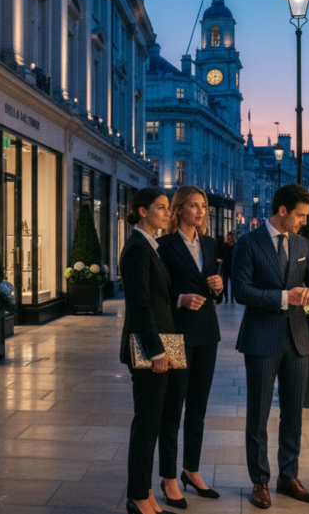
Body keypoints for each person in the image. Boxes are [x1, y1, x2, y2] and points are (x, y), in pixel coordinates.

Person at [232, 184, 309, 510]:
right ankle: (260, 480)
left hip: (297, 340)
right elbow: (241, 291)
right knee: (258, 413)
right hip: (261, 339)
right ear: (282, 211)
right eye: (300, 215)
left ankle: (289, 475)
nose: (304, 221)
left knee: (293, 414)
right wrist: (285, 297)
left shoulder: (303, 244)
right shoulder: (248, 243)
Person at [155, 186, 224, 508]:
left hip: (207, 333)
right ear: (179, 209)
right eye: (194, 205)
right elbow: (156, 292)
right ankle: (169, 477)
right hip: (176, 335)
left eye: (203, 206)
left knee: (198, 408)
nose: (200, 211)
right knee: (172, 409)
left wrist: (218, 287)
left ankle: (191, 470)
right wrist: (180, 299)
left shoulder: (209, 244)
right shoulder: (164, 245)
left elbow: (213, 290)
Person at [119, 187, 181, 514]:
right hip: (149, 348)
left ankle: (146, 493)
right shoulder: (136, 249)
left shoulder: (150, 246)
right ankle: (138, 496)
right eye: (161, 207)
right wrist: (157, 352)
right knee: (146, 424)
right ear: (142, 211)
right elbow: (141, 305)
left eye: (168, 207)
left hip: (163, 342)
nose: (167, 212)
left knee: (156, 421)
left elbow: (158, 300)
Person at [218, 232, 236, 303]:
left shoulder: (231, 245)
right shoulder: (229, 245)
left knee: (229, 284)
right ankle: (229, 299)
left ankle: (229, 299)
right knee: (228, 284)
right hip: (229, 266)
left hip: (229, 266)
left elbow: (221, 255)